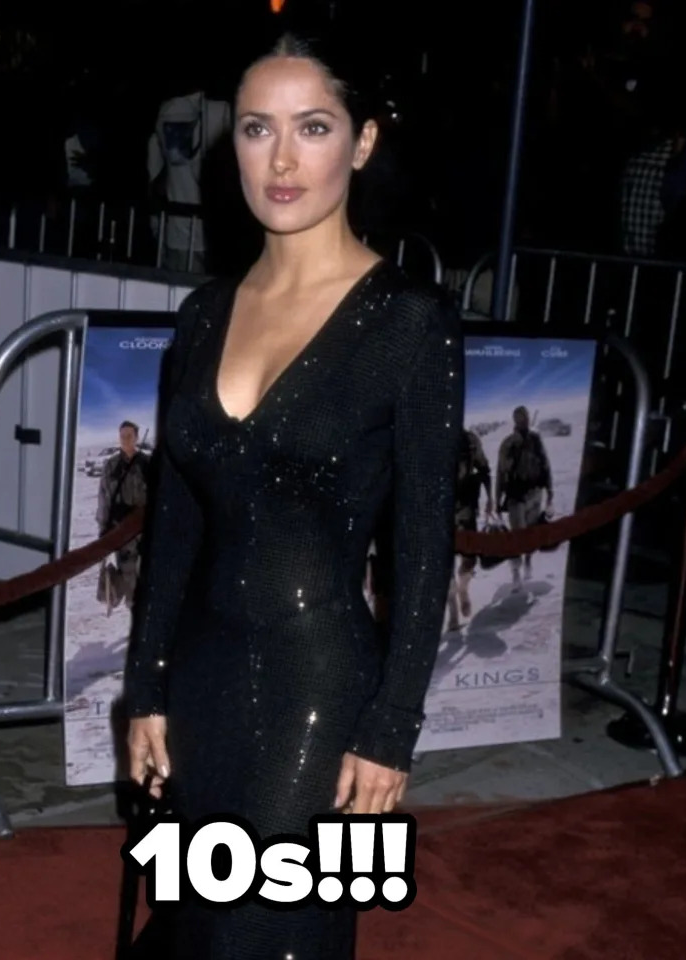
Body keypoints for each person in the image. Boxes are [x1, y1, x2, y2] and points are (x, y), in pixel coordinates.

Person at [123, 30, 463, 959]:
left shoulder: (407, 324)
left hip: (321, 681)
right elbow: (176, 526)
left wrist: (392, 730)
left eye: (312, 128)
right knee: (189, 920)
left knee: (267, 937)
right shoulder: (202, 316)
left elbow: (426, 547)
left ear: (360, 143)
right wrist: (144, 685)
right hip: (199, 678)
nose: (279, 159)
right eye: (256, 128)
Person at [147, 71, 232, 272]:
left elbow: (156, 177)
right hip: (211, 234)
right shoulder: (223, 112)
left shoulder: (169, 111)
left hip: (179, 231)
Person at [496, 407, 553, 589]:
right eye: (521, 417)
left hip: (535, 494)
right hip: (515, 496)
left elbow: (545, 465)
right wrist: (497, 499)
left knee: (530, 533)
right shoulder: (508, 444)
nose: (525, 420)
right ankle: (515, 574)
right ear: (515, 420)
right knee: (517, 536)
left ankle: (528, 561)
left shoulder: (536, 440)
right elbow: (500, 473)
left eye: (526, 417)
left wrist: (550, 492)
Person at [96, 421, 150, 611]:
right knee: (128, 579)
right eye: (122, 436)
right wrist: (103, 530)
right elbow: (103, 499)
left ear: (136, 437)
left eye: (129, 436)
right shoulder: (111, 466)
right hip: (122, 534)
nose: (125, 439)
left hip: (145, 534)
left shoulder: (147, 464)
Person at [447, 429, 493, 632]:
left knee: (469, 558)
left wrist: (490, 497)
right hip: (439, 513)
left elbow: (484, 468)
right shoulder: (429, 439)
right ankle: (453, 612)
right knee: (443, 564)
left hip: (466, 509)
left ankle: (463, 590)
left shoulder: (470, 440)